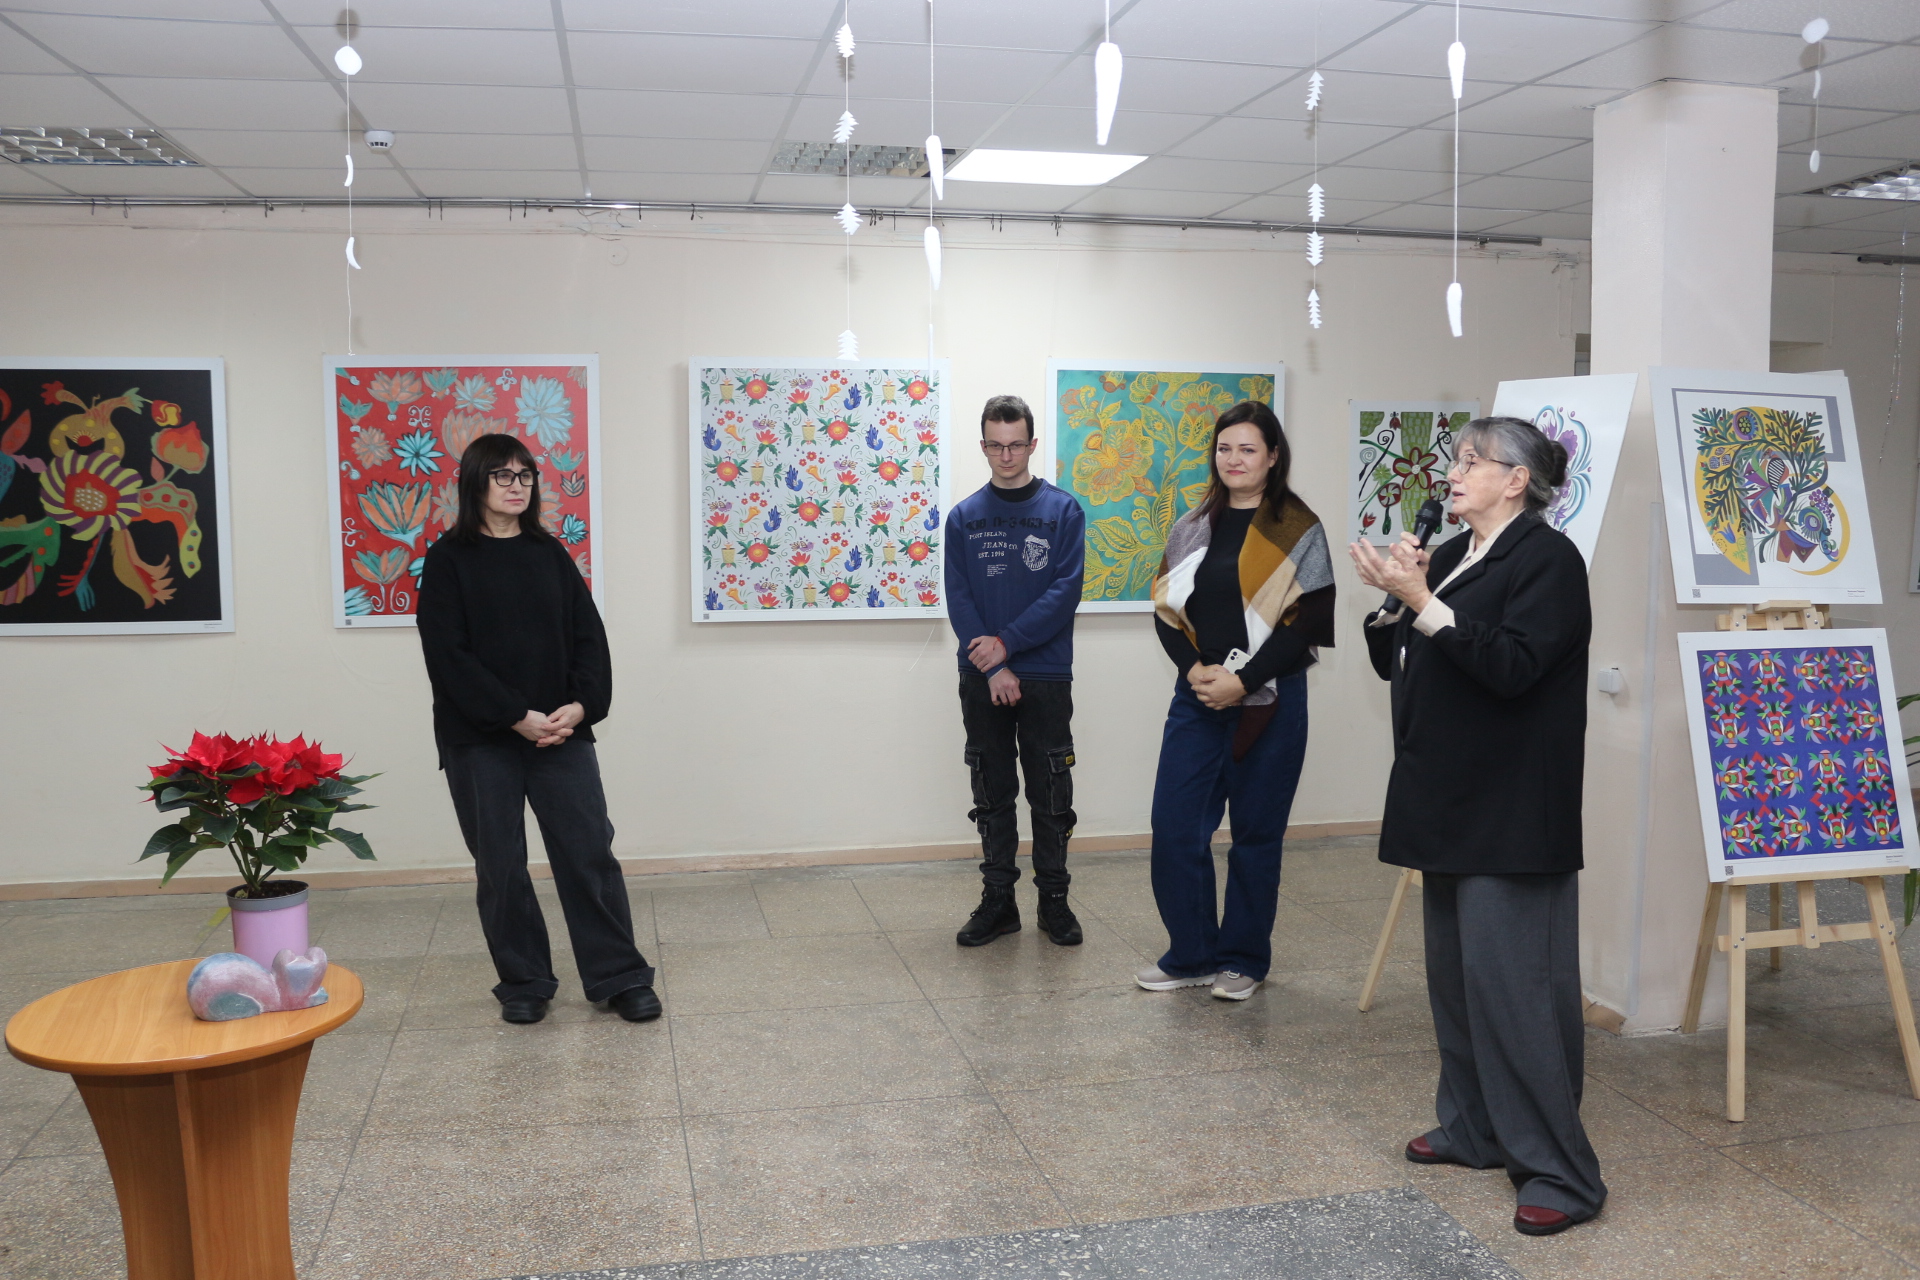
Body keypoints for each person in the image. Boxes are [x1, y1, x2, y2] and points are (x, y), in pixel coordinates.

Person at [1348, 416, 1605, 1237]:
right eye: (1456, 460)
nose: (1453, 474)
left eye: (1471, 461)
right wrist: (1398, 600)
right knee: (1457, 984)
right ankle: (1475, 1128)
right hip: (1448, 800)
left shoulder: (1548, 561)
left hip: (1511, 809)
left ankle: (1561, 1172)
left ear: (1516, 480)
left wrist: (1422, 602)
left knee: (1516, 995)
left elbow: (1513, 666)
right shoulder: (1458, 552)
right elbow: (1399, 658)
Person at [416, 433, 659, 1026]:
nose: (517, 486)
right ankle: (524, 981)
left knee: (588, 853)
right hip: (481, 738)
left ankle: (620, 976)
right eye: (503, 475)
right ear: (475, 482)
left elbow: (588, 638)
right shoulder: (448, 559)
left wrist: (581, 706)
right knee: (500, 866)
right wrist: (514, 716)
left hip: (559, 731)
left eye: (525, 476)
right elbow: (448, 657)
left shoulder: (549, 553)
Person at [1136, 401, 1333, 1001]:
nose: (1234, 459)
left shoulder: (1298, 528)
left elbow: (1309, 623)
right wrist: (1195, 670)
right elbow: (1166, 611)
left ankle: (1243, 959)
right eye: (1225, 448)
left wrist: (1243, 682)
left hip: (1270, 700)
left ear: (1273, 456)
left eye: (1248, 449)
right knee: (1175, 828)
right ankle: (1191, 955)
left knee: (1255, 835)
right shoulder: (1192, 525)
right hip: (1197, 697)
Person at [943, 394, 1087, 947]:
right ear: (983, 446)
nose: (1006, 456)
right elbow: (959, 597)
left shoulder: (1063, 512)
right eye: (996, 446)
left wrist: (1007, 646)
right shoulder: (963, 518)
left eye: (1016, 445)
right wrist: (992, 664)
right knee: (992, 791)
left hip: (1045, 672)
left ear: (1032, 444)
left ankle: (1054, 902)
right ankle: (998, 902)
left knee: (1051, 793)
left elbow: (1064, 593)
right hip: (982, 674)